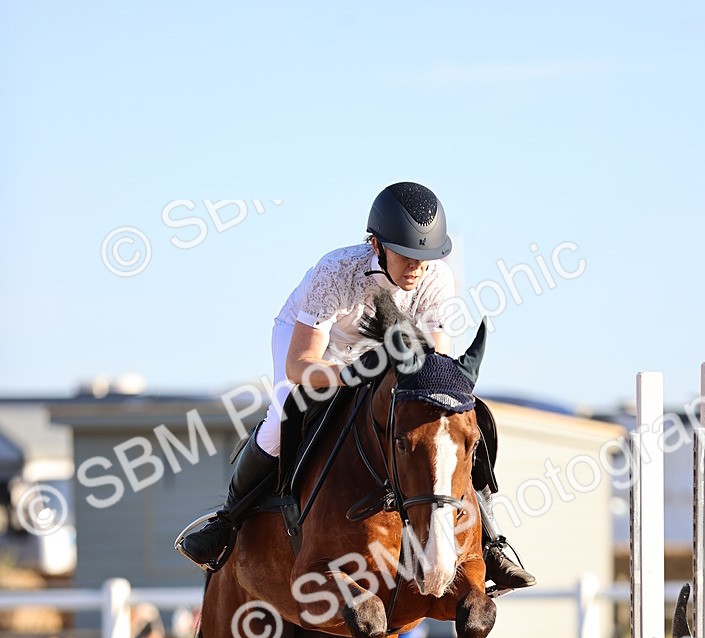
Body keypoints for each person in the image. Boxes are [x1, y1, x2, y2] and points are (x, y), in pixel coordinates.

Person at [179, 182, 535, 591]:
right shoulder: (337, 271)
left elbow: (435, 364)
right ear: (376, 244)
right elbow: (300, 364)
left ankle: (491, 542)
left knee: (450, 422)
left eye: (426, 256)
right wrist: (350, 376)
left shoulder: (437, 279)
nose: (417, 267)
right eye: (406, 253)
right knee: (284, 415)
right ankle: (226, 522)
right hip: (316, 347)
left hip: (387, 354)